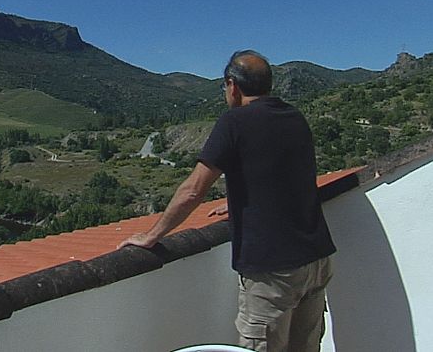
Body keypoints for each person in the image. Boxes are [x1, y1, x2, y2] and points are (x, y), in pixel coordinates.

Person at [118, 50, 335, 352]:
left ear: (232, 85)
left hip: (273, 269)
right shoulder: (293, 117)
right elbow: (288, 176)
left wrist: (152, 235)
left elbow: (193, 190)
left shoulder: (235, 122)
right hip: (316, 259)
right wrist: (242, 202)